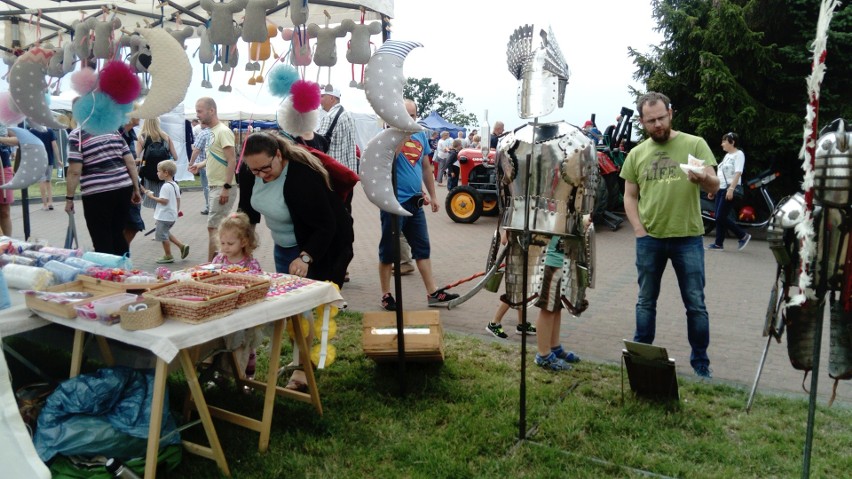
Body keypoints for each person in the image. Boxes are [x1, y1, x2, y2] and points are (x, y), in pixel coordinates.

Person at [619, 91, 718, 379]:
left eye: (661, 117)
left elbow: (715, 184)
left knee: (696, 304)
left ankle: (701, 364)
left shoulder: (694, 144)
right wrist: (638, 228)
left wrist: (703, 178)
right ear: (642, 122)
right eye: (651, 121)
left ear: (671, 113)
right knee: (646, 301)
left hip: (688, 237)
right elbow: (629, 196)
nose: (658, 125)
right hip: (649, 240)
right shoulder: (637, 154)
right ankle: (640, 357)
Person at [242, 131, 353, 287]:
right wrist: (240, 239)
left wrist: (305, 258)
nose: (260, 174)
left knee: (310, 303)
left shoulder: (301, 177)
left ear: (278, 155)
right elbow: (247, 211)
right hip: (282, 246)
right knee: (286, 295)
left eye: (265, 168)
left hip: (315, 246)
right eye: (255, 170)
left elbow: (326, 225)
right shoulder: (250, 170)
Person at [379, 99, 460, 311]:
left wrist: (433, 196)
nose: (411, 119)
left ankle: (432, 293)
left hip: (415, 203)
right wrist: (400, 135)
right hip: (393, 203)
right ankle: (386, 294)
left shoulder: (421, 135)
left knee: (422, 249)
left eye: (414, 115)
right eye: (407, 115)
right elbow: (387, 162)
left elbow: (425, 167)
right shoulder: (386, 136)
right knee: (388, 252)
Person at [65, 114, 143, 255]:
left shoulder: (77, 135)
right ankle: (123, 271)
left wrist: (69, 198)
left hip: (96, 192)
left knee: (101, 236)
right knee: (118, 233)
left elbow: (74, 171)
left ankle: (108, 273)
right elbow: (130, 162)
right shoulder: (112, 130)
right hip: (122, 188)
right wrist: (136, 188)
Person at [195, 97, 237, 261]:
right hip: (216, 186)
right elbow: (216, 156)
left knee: (214, 227)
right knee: (216, 227)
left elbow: (231, 159)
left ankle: (212, 264)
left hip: (222, 187)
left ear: (211, 110)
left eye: (200, 111)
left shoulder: (223, 131)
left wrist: (226, 187)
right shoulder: (212, 132)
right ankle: (219, 261)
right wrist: (200, 165)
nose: (198, 115)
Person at [532, 236, 582, 371]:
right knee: (548, 308)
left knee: (557, 307)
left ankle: (554, 347)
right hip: (552, 261)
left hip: (563, 261)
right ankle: (543, 355)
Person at [706, 132, 751, 251]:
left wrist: (731, 189)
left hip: (730, 188)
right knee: (718, 217)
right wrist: (714, 189)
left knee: (721, 217)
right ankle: (718, 244)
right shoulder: (727, 156)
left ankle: (743, 235)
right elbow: (721, 175)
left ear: (732, 142)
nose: (722, 144)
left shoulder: (739, 154)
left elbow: (738, 172)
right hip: (721, 189)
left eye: (724, 141)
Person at [142, 160, 189, 264]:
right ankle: (182, 246)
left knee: (163, 235)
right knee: (165, 232)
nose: (157, 173)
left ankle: (168, 255)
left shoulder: (165, 186)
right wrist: (176, 211)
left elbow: (164, 201)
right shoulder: (175, 184)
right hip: (171, 215)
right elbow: (178, 199)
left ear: (166, 172)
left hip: (164, 216)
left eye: (159, 171)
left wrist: (152, 197)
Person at [135, 117, 178, 209]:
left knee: (154, 199)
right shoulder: (166, 137)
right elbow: (175, 157)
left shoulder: (142, 137)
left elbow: (136, 157)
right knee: (165, 198)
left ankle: (158, 220)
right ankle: (164, 219)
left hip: (149, 174)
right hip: (165, 174)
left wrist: (141, 161)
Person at [316, 88, 358, 173]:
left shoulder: (329, 117)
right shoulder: (347, 115)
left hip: (333, 172)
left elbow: (318, 145)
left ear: (332, 98)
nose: (320, 100)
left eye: (322, 96)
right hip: (347, 171)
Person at [118, 116, 145, 246]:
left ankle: (121, 253)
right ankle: (119, 253)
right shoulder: (118, 133)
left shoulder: (129, 134)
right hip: (123, 185)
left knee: (131, 224)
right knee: (132, 224)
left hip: (130, 183)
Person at [29, 127, 59, 211]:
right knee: (48, 181)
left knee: (41, 181)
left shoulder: (32, 131)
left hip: (38, 160)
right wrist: (59, 159)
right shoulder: (49, 130)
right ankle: (50, 202)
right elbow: (54, 145)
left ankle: (45, 204)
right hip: (49, 159)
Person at [188, 123, 212, 215]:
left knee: (207, 187)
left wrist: (191, 163)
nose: (199, 124)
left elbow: (196, 150)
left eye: (201, 121)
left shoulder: (203, 134)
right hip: (215, 165)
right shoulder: (218, 131)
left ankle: (209, 206)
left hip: (203, 165)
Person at [0, 125, 17, 235]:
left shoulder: (4, 120)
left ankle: (8, 245)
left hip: (3, 167)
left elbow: (17, 139)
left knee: (5, 211)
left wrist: (1, 139)